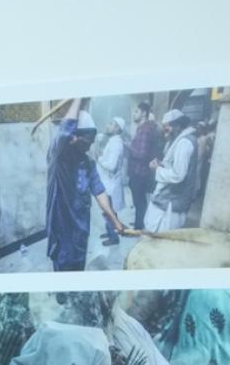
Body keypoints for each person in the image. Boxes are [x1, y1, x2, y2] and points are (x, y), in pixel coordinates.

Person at [45, 102, 127, 271]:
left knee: (78, 266)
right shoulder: (58, 156)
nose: (90, 145)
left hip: (81, 228)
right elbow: (64, 130)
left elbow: (99, 191)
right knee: (63, 268)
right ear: (74, 137)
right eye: (87, 141)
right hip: (62, 228)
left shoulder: (87, 162)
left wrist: (114, 220)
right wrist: (78, 97)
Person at [144, 110, 199, 234]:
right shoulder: (181, 140)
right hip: (170, 199)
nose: (165, 130)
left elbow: (178, 175)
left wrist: (157, 169)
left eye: (167, 126)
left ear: (178, 125)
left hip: (171, 202)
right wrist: (161, 165)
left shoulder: (184, 143)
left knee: (161, 236)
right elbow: (177, 166)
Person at [127, 102, 163, 231]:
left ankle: (139, 227)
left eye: (136, 111)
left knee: (139, 201)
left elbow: (142, 154)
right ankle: (139, 223)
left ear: (144, 113)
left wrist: (128, 148)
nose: (133, 114)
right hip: (141, 171)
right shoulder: (144, 128)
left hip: (139, 172)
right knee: (140, 201)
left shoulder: (145, 130)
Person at [96, 118, 127, 244]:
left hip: (111, 184)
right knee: (108, 210)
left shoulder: (116, 144)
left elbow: (112, 166)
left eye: (111, 124)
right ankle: (111, 231)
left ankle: (113, 238)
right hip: (108, 182)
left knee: (108, 211)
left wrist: (99, 159)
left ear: (118, 128)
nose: (108, 126)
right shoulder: (113, 141)